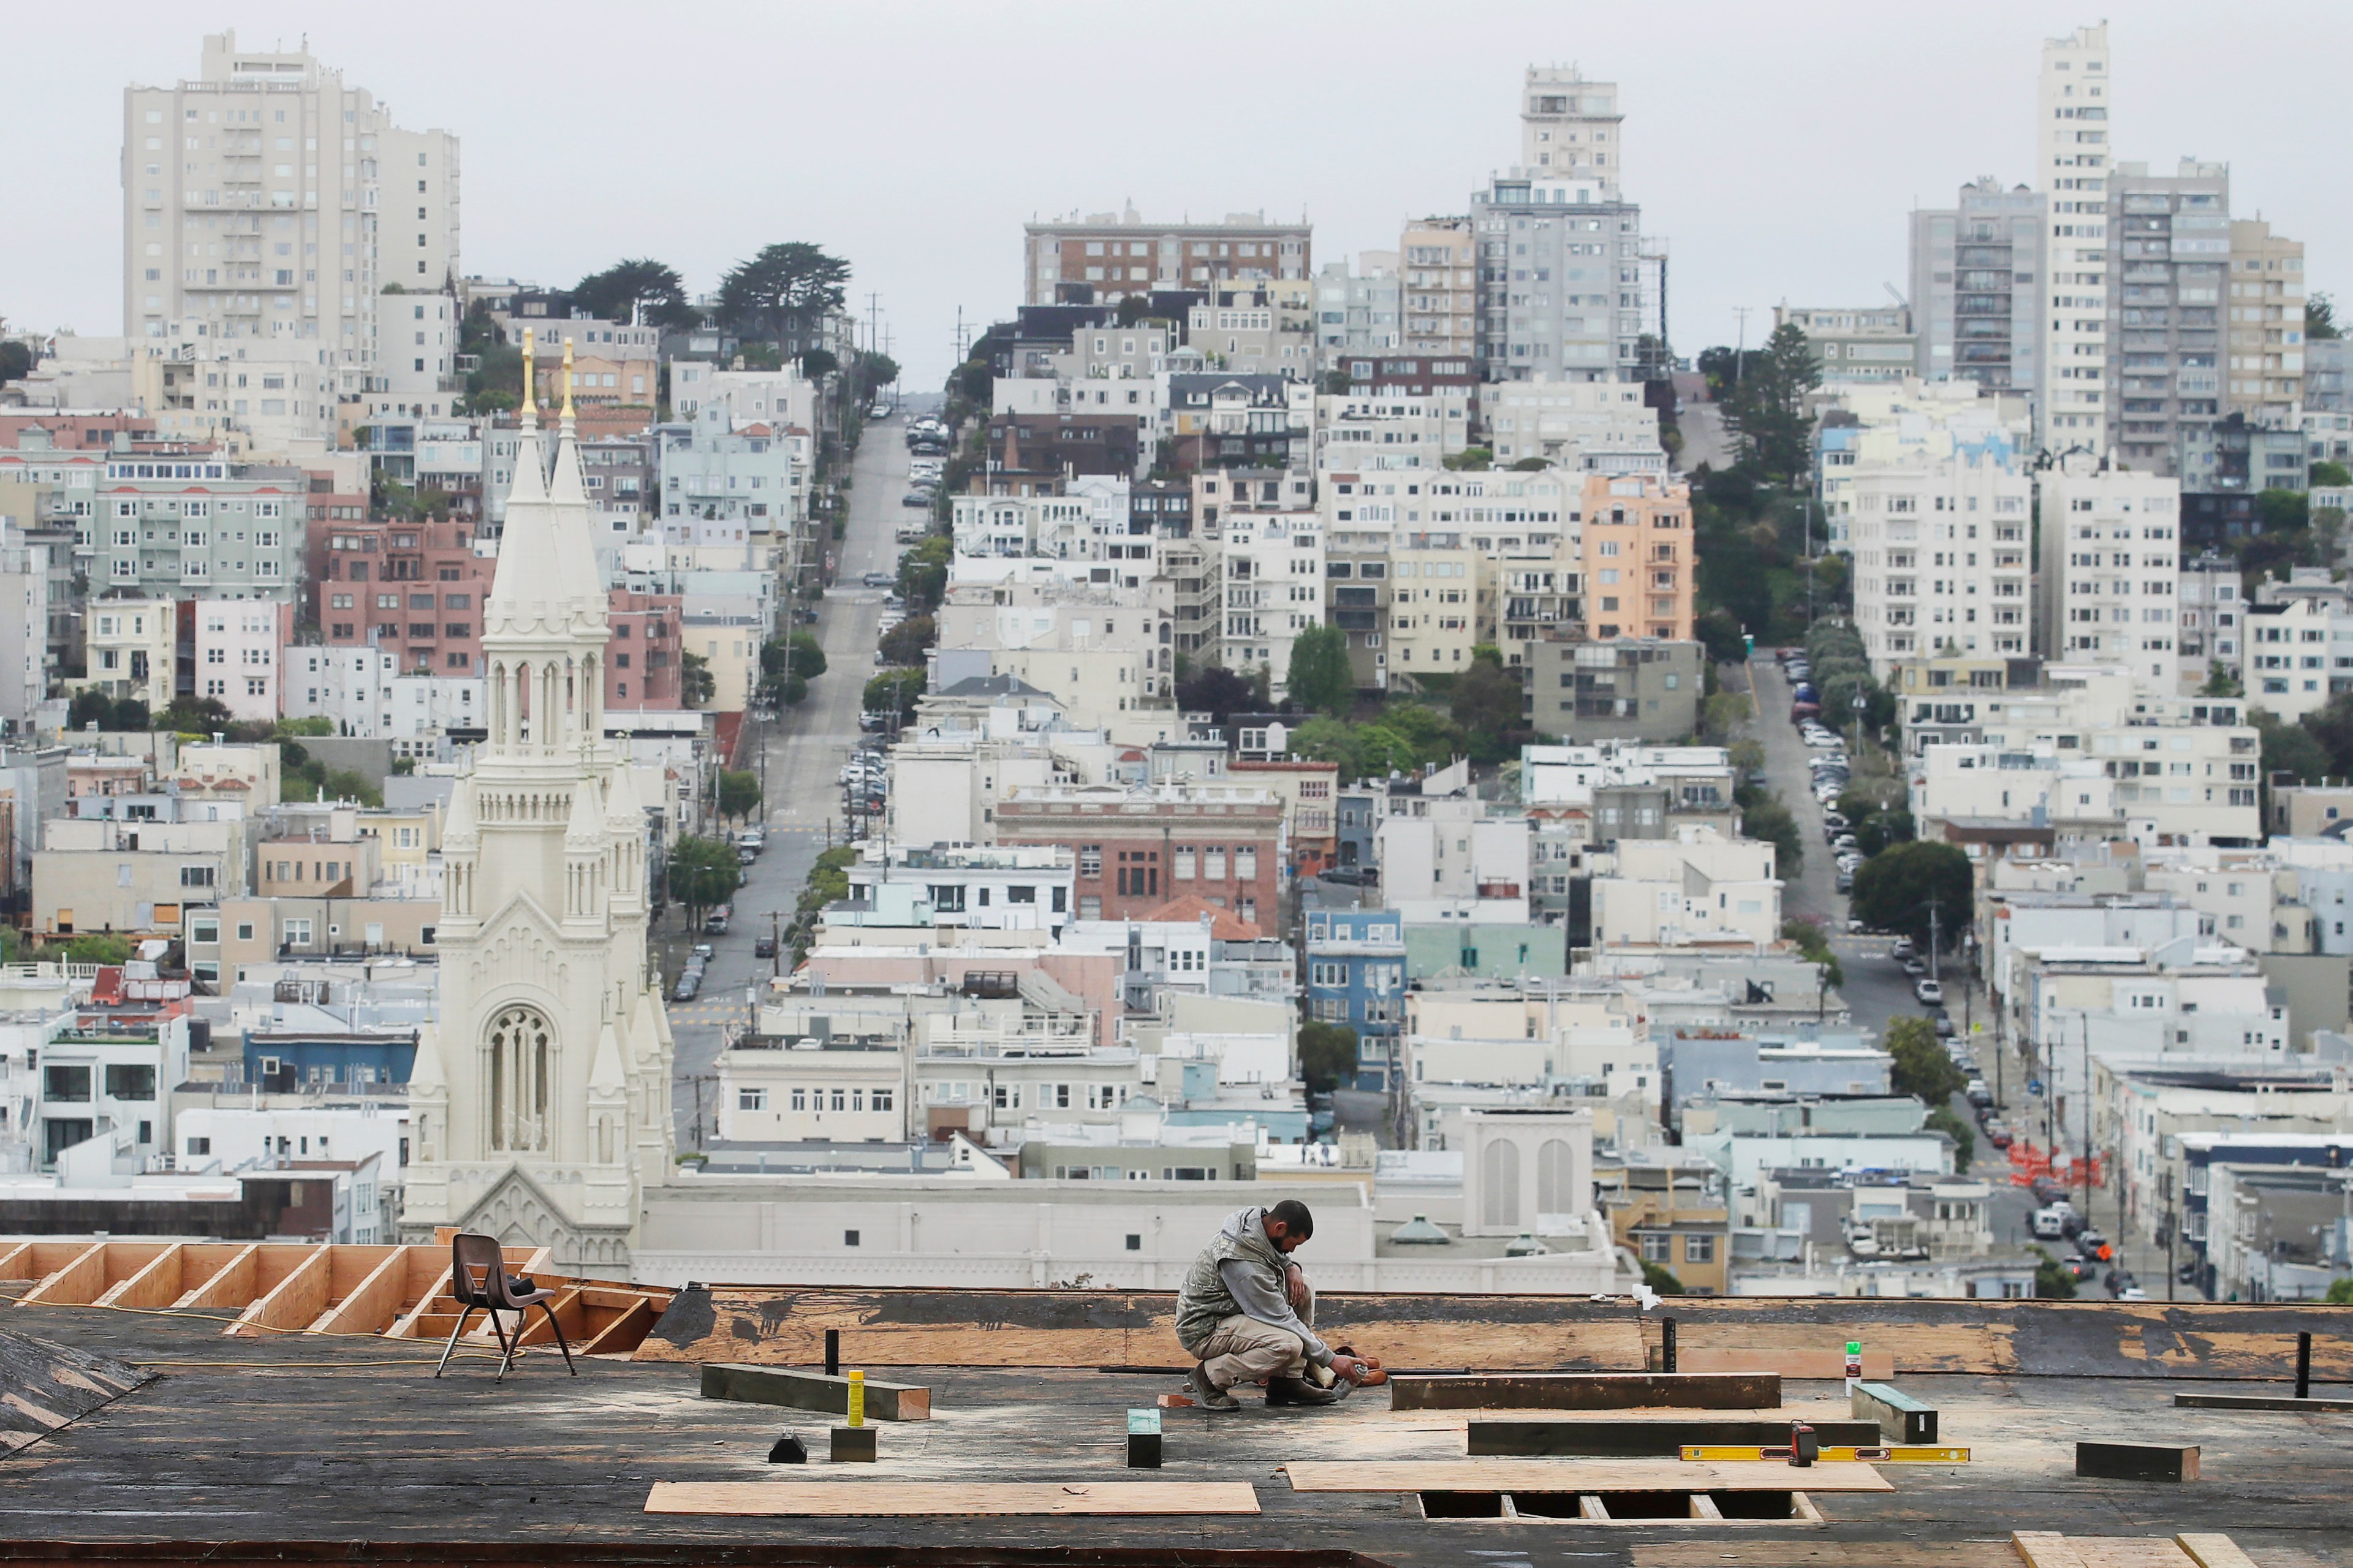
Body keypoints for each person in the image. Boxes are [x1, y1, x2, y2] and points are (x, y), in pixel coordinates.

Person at [1175, 1199, 1376, 1411]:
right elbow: (1280, 1317)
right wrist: (1332, 1360)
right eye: (1294, 1244)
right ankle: (1209, 1377)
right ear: (1280, 1228)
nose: (1292, 1250)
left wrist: (1291, 1267)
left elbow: (1271, 1253)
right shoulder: (1242, 1263)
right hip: (1205, 1329)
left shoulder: (1254, 1223)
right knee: (1288, 1345)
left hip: (1231, 1311)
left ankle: (1286, 1382)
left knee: (1303, 1286)